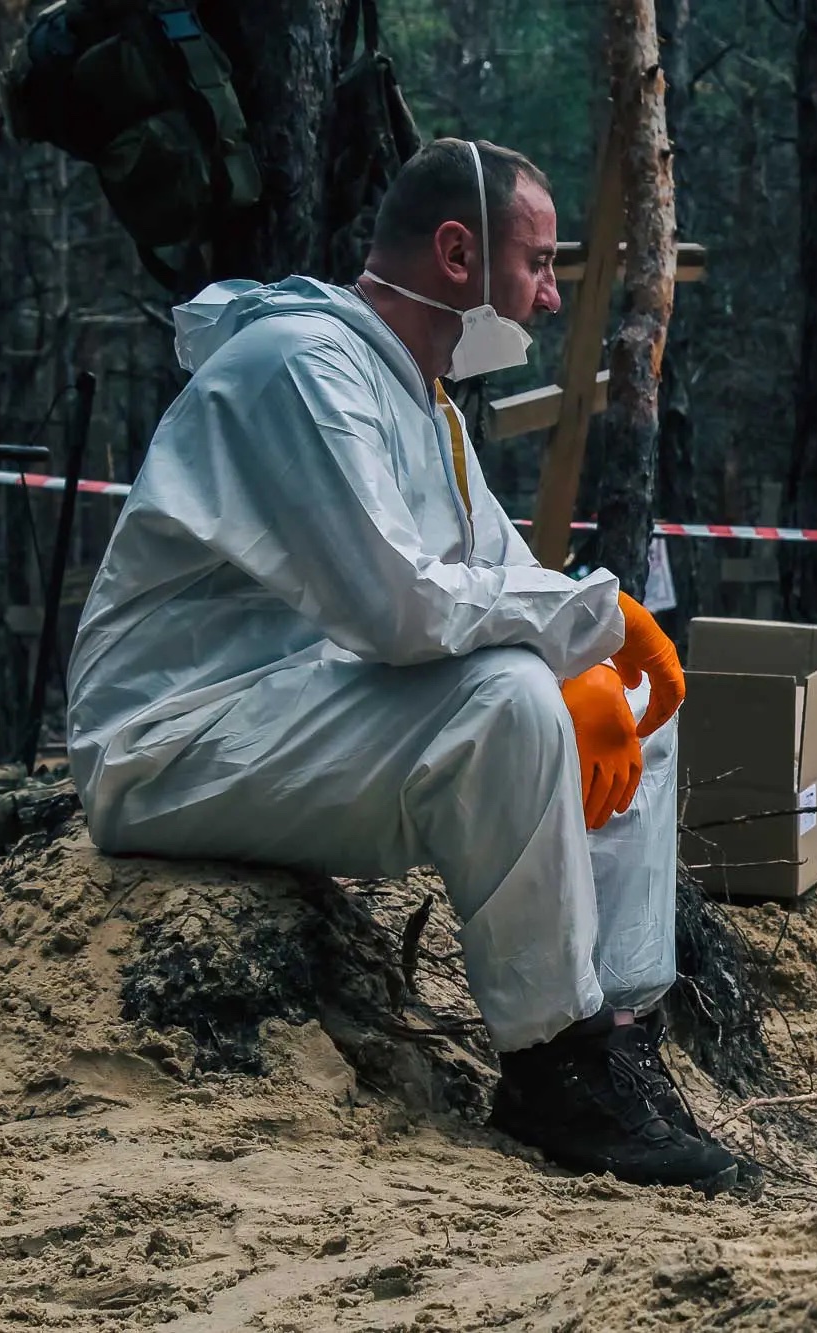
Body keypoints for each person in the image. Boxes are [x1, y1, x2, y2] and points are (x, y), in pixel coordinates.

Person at [66, 138, 738, 1195]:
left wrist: (598, 653)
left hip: (291, 712)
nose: (550, 299)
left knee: (627, 709)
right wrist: (587, 625)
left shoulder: (428, 406)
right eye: (538, 265)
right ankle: (551, 1067)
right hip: (174, 736)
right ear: (457, 252)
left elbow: (500, 578)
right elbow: (399, 602)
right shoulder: (302, 366)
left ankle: (616, 1034)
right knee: (513, 699)